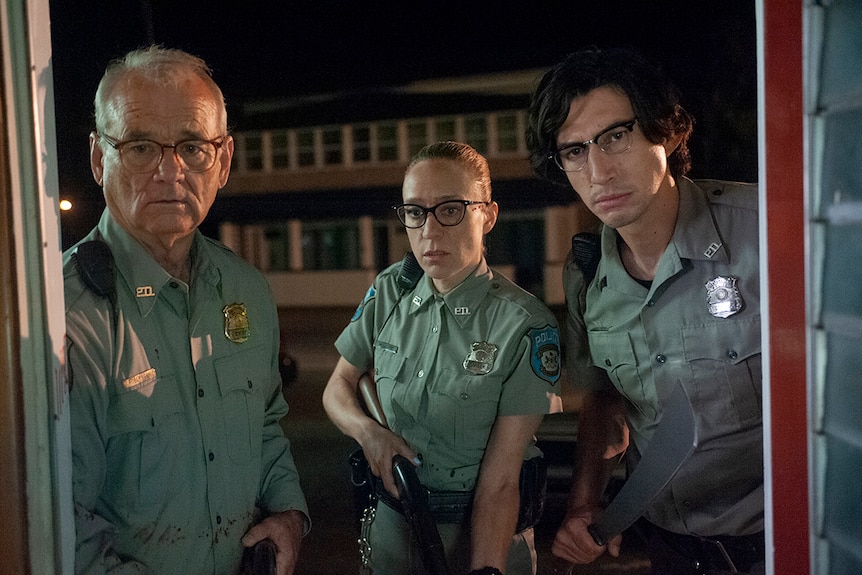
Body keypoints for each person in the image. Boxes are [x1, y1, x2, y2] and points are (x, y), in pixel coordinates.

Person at [64, 45, 309, 575]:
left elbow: (266, 425)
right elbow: (62, 522)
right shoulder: (67, 313)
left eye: (193, 146)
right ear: (97, 159)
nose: (170, 170)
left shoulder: (245, 290)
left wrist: (289, 514)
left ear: (222, 161)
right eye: (140, 146)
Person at [526, 47, 764, 575]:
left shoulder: (767, 233)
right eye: (574, 151)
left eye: (616, 136)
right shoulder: (587, 274)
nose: (599, 171)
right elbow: (604, 393)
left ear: (671, 130)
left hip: (784, 542)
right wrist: (585, 500)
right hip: (672, 549)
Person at [322, 141, 562, 575]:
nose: (429, 231)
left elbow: (503, 479)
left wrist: (485, 570)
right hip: (393, 531)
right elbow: (338, 386)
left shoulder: (525, 325)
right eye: (415, 212)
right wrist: (368, 434)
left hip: (480, 536)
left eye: (450, 209)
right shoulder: (392, 290)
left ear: (487, 215)